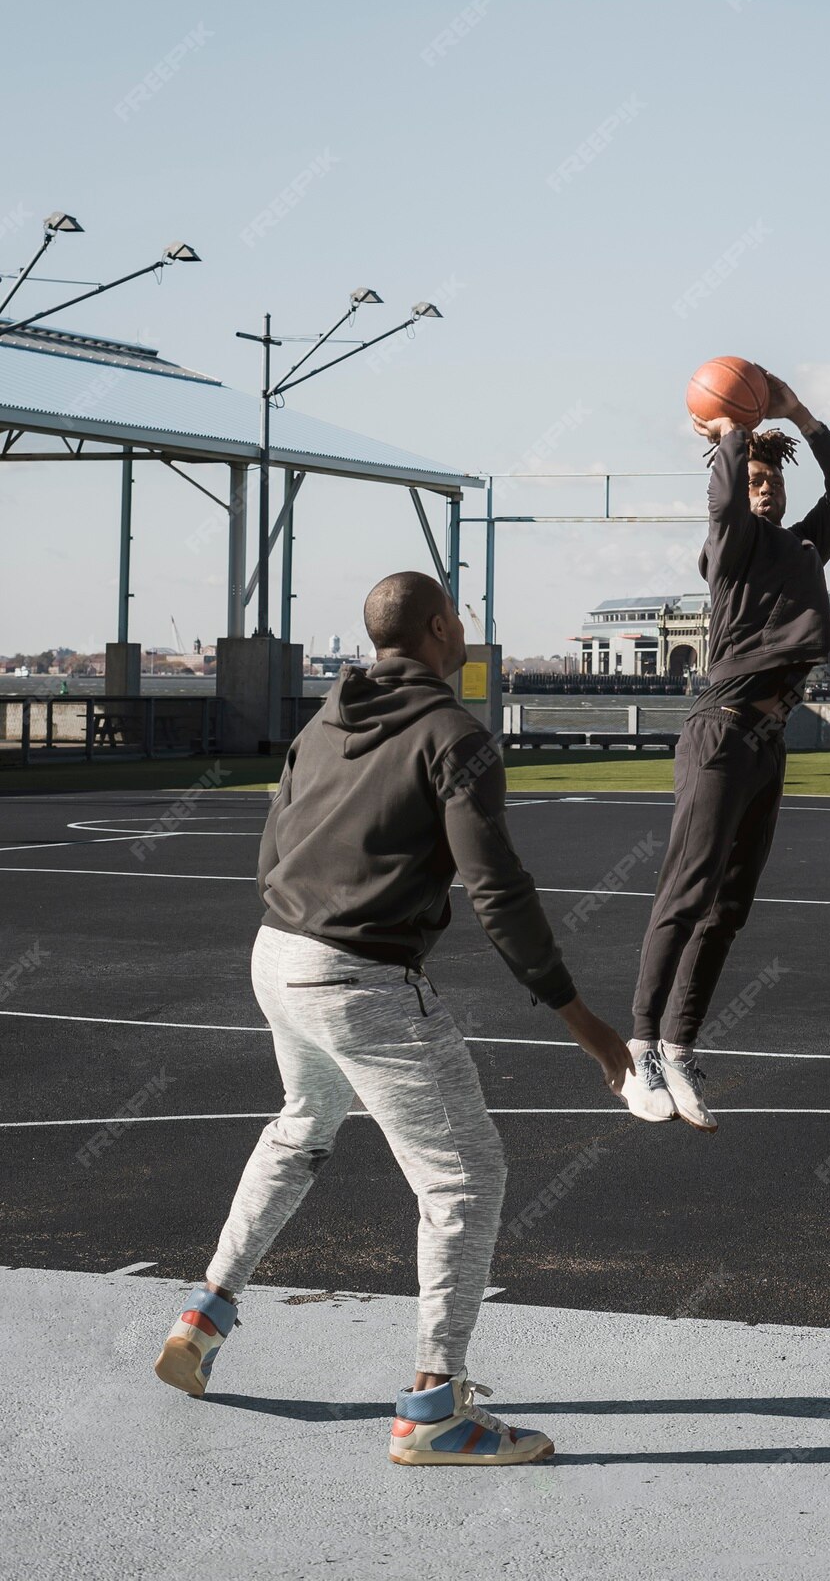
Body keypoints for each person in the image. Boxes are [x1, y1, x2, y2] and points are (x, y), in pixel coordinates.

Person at [154, 571, 631, 1467]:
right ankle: (434, 1411)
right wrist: (583, 1020)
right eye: (460, 622)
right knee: (463, 1181)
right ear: (441, 629)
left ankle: (205, 1315)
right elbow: (497, 887)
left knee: (300, 1131)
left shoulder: (319, 721)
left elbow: (271, 848)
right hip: (357, 979)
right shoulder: (455, 735)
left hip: (276, 952)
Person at [620, 370, 830, 1130]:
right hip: (720, 731)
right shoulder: (729, 545)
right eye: (753, 479)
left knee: (729, 906)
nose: (762, 490)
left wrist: (796, 413)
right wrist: (730, 429)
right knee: (685, 894)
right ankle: (639, 1053)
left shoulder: (801, 545)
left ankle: (680, 1044)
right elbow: (723, 500)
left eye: (770, 481)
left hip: (765, 740)